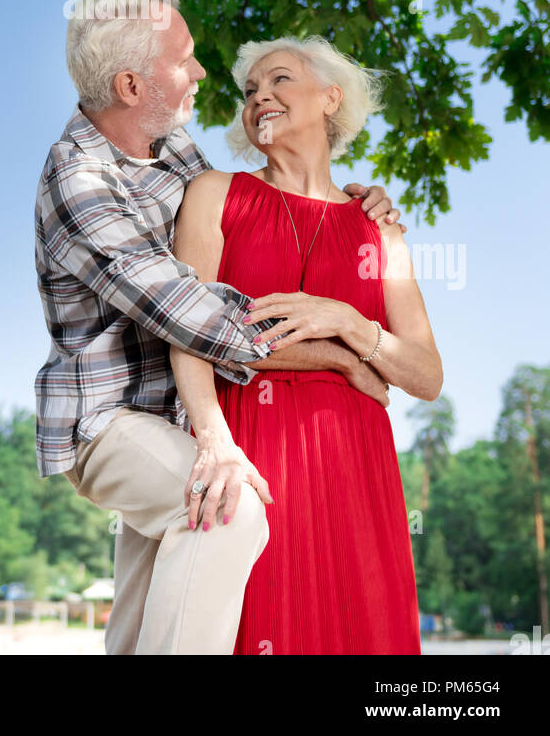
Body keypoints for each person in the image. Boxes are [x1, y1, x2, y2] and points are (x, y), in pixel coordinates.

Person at [34, 0, 405, 655]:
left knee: (144, 621)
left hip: (171, 412)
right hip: (110, 419)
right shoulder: (79, 181)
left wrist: (358, 202)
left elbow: (257, 211)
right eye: (183, 59)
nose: (203, 70)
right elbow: (196, 315)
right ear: (130, 87)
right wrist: (341, 352)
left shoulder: (172, 150)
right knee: (228, 517)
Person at [170, 36, 442, 655]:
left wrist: (350, 322)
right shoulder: (216, 194)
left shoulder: (378, 229)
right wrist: (345, 362)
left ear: (329, 99)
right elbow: (188, 333)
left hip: (357, 464)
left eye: (279, 80)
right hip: (249, 449)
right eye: (249, 91)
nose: (260, 96)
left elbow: (426, 375)